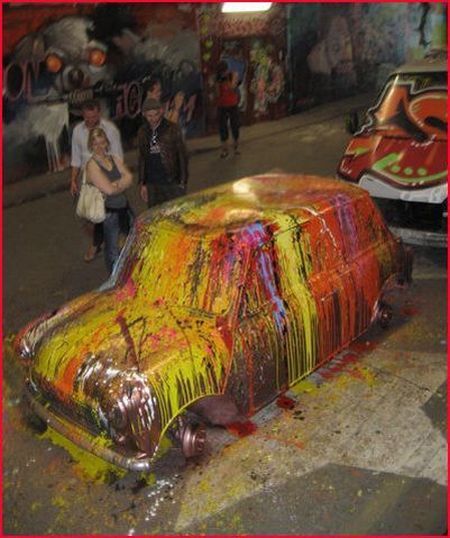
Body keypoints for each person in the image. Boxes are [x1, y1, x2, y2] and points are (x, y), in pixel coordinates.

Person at [70, 99, 125, 262]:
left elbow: (118, 157)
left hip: (106, 177)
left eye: (94, 117)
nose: (91, 121)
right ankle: (102, 241)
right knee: (88, 217)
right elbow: (76, 158)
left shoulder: (110, 130)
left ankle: (100, 244)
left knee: (107, 214)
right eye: (87, 118)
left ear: (99, 113)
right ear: (83, 115)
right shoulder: (78, 131)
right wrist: (73, 180)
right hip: (87, 180)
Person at [85, 128, 133, 274]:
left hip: (125, 208)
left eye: (102, 142)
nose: (99, 147)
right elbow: (109, 190)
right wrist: (120, 184)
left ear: (107, 142)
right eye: (95, 144)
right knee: (113, 251)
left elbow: (129, 177)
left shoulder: (113, 159)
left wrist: (115, 185)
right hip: (109, 214)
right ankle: (114, 279)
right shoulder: (92, 165)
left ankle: (129, 274)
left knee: (132, 243)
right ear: (91, 145)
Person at [137, 98, 188, 208]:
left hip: (171, 181)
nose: (153, 119)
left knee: (176, 211)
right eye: (149, 116)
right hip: (152, 184)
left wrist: (182, 181)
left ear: (161, 112)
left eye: (155, 115)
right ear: (144, 114)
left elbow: (182, 155)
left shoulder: (172, 128)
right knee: (155, 214)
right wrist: (142, 183)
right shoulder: (142, 132)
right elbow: (142, 158)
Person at [216, 60, 240, 158]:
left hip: (233, 104)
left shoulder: (232, 74)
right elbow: (217, 93)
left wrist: (227, 79)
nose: (223, 73)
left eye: (224, 71)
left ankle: (236, 148)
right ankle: (224, 149)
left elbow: (233, 87)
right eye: (221, 72)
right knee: (222, 127)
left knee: (235, 126)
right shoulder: (218, 78)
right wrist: (217, 82)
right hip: (222, 105)